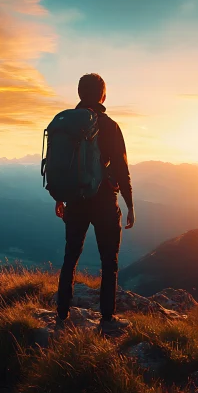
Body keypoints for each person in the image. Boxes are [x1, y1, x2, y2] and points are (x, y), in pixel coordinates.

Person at [55, 73, 135, 331]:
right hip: (103, 202)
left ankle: (62, 313)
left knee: (71, 256)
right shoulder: (109, 126)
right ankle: (107, 318)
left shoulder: (66, 124)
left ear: (79, 93)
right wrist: (130, 203)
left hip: (75, 199)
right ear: (103, 95)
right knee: (108, 260)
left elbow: (61, 165)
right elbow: (121, 168)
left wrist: (59, 197)